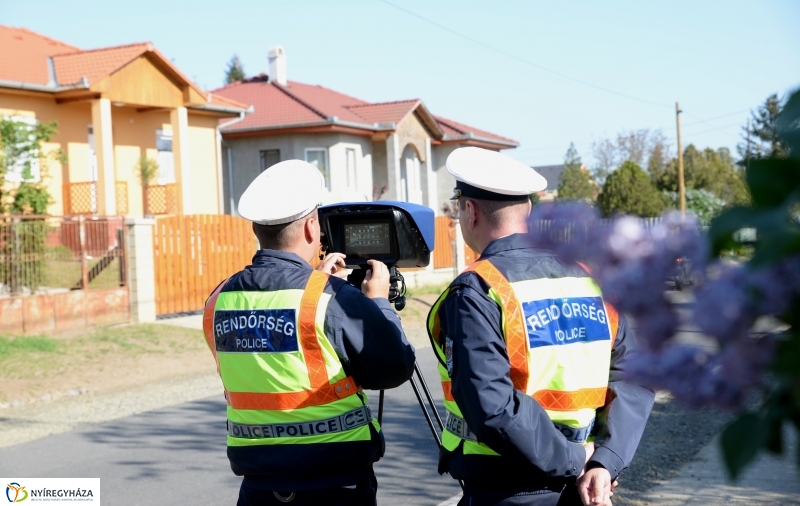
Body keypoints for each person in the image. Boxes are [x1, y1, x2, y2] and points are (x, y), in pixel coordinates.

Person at [427, 147, 655, 506]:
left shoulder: (479, 289)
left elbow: (491, 406)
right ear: (529, 211)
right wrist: (604, 462)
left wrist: (575, 460)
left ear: (470, 211)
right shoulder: (593, 280)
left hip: (506, 490)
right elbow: (634, 376)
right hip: (584, 487)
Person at [203, 160, 416, 506]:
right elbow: (394, 368)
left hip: (258, 488)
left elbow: (277, 351)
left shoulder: (218, 299)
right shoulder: (330, 298)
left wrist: (316, 281)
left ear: (257, 228)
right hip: (335, 488)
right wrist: (378, 302)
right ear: (310, 226)